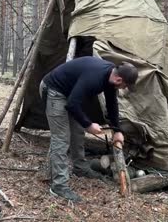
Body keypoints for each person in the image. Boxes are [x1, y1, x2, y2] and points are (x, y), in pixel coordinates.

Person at [39, 56, 138, 202]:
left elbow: (112, 104)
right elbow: (72, 104)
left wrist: (117, 130)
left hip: (69, 94)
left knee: (77, 131)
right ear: (119, 80)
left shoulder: (111, 75)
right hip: (54, 90)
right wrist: (89, 125)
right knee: (61, 138)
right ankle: (59, 186)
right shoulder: (95, 77)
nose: (124, 89)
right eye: (125, 86)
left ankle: (79, 167)